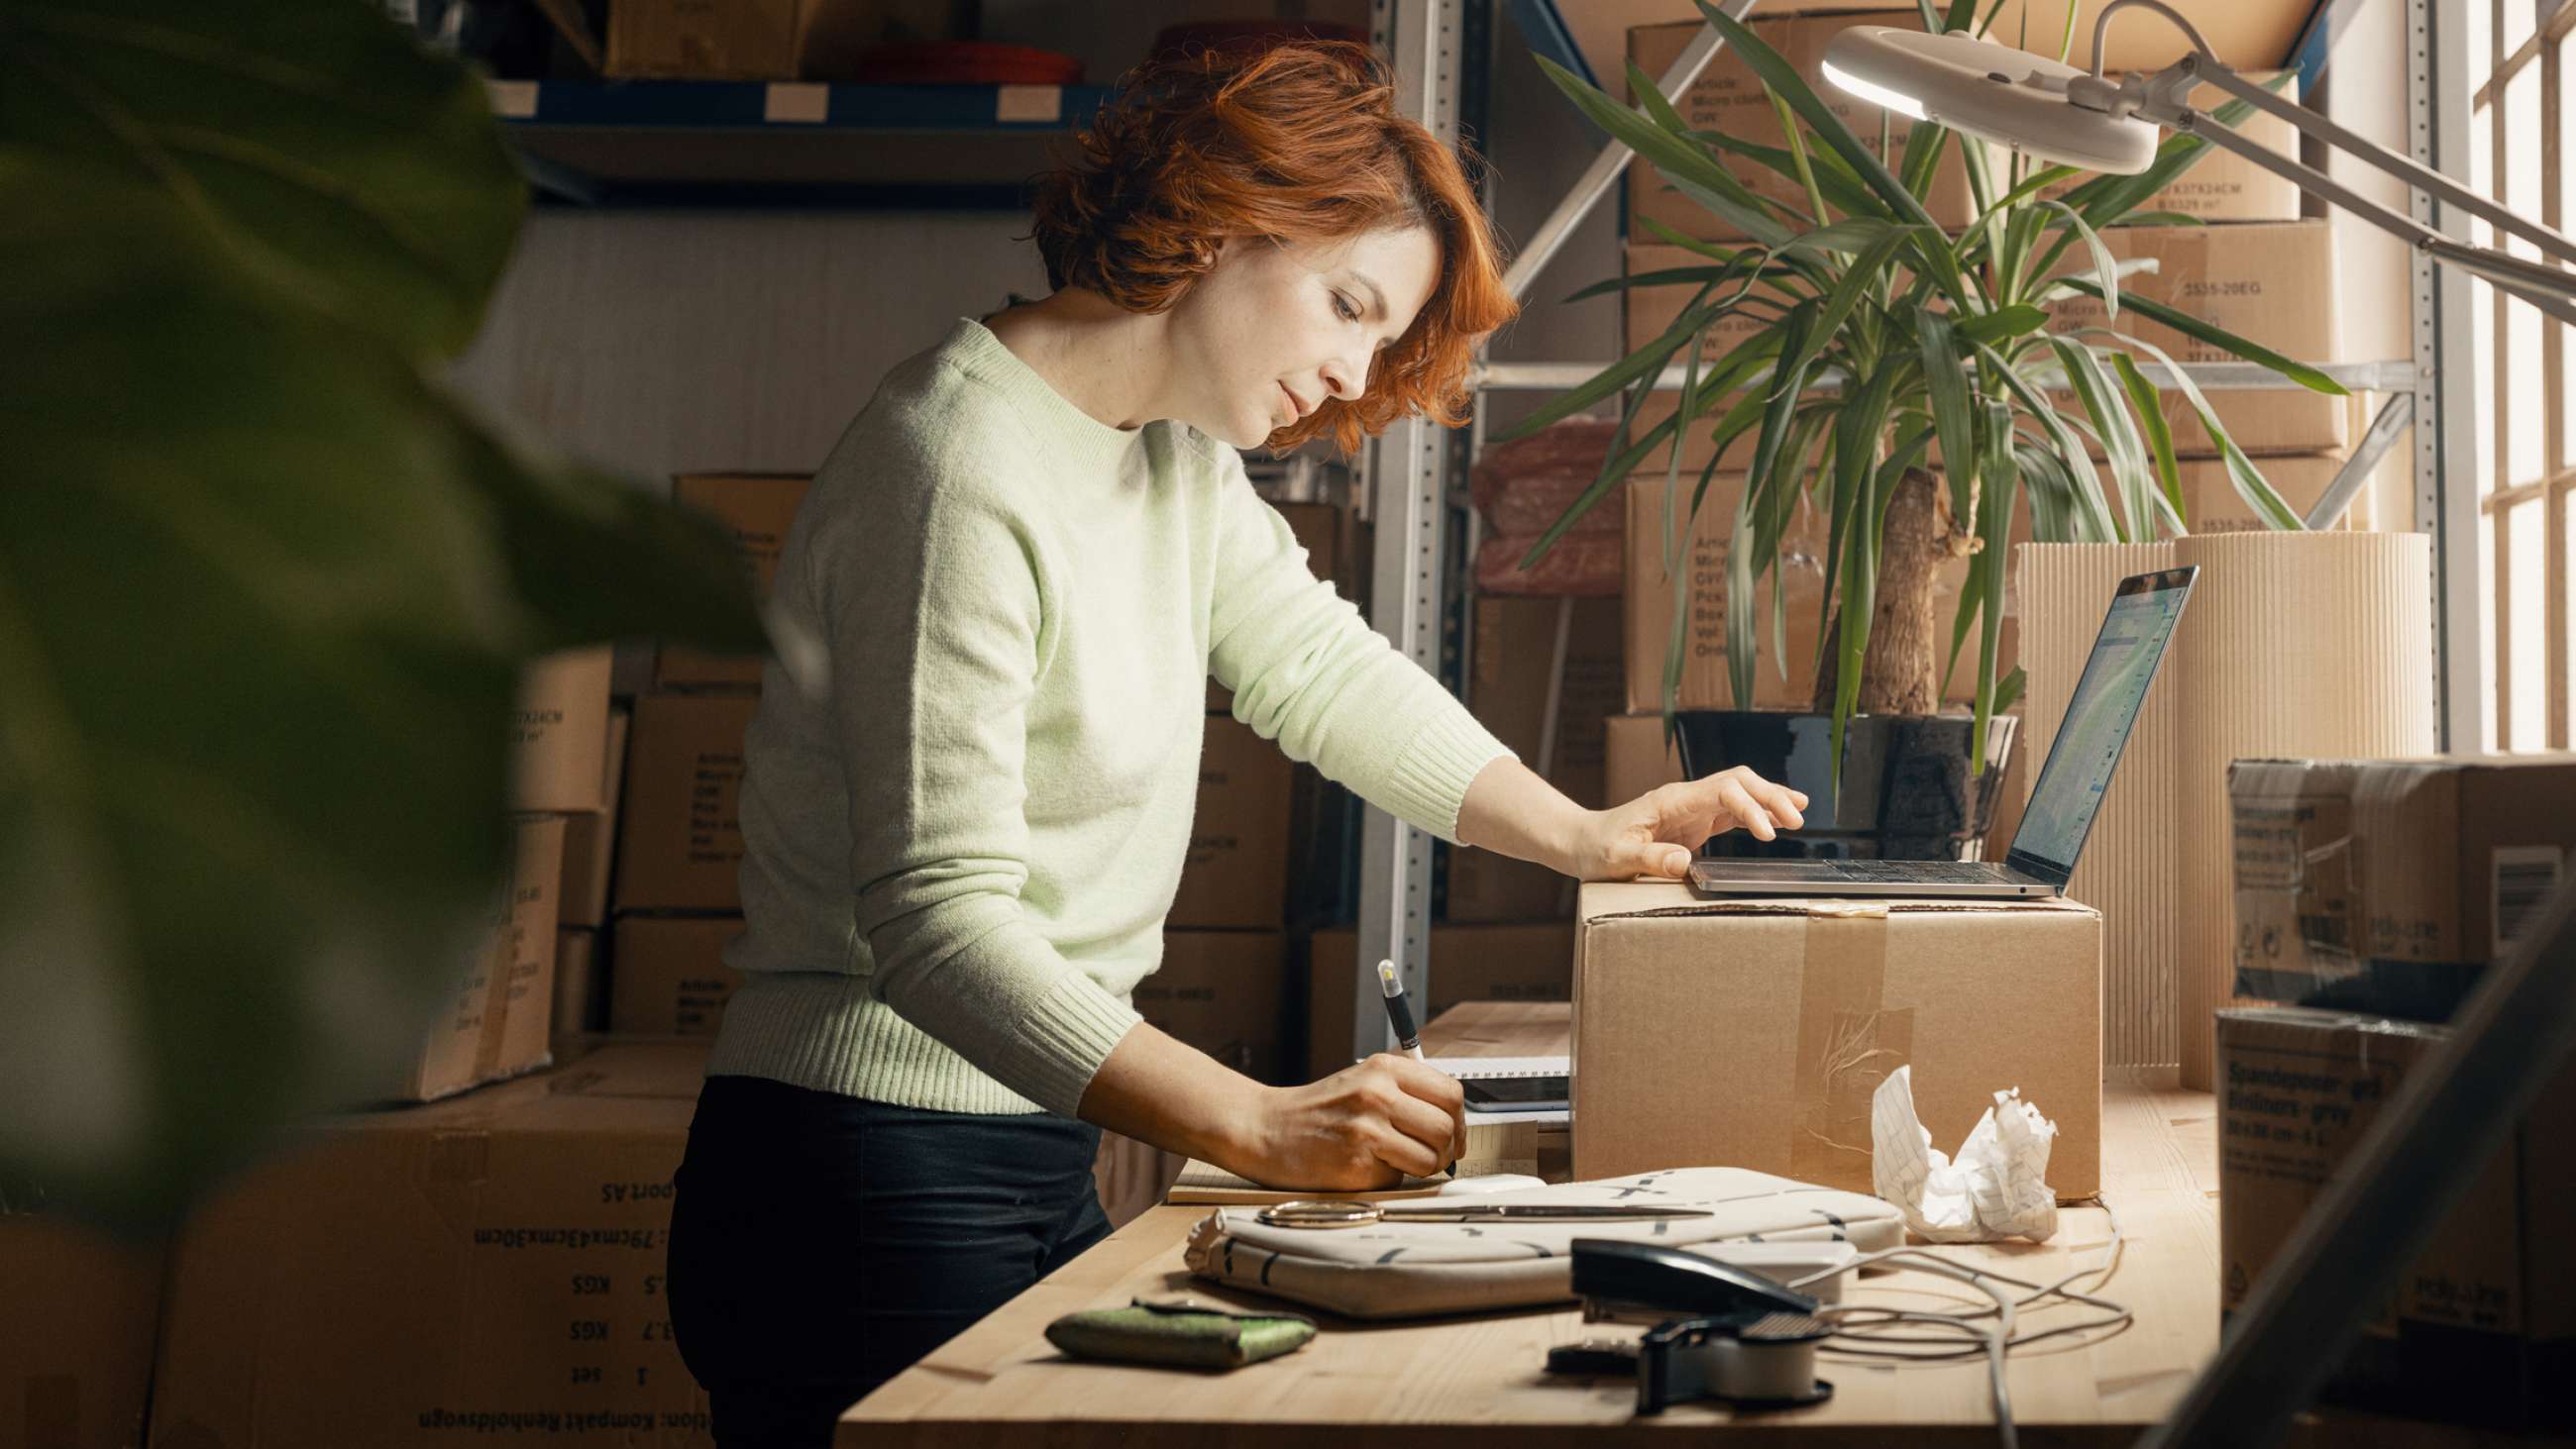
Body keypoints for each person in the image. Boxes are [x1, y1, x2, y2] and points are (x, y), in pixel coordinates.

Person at [664, 39, 1808, 1448]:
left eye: (1381, 344)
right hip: (857, 1161)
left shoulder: (1166, 457)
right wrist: (1258, 1128)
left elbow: (1320, 671)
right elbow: (937, 926)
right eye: (1346, 304)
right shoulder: (958, 468)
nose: (1348, 372)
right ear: (1220, 218)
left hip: (1017, 1139)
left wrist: (1582, 832)